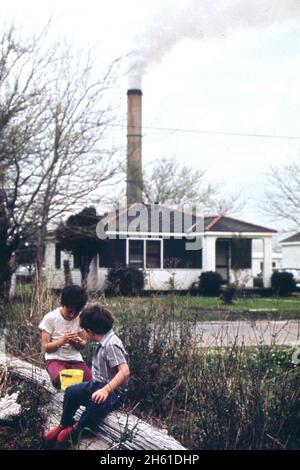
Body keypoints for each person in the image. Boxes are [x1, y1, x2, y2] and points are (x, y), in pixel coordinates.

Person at [44, 304, 130, 445]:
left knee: (96, 403)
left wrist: (106, 390)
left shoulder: (111, 345)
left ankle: (77, 429)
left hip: (114, 392)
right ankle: (64, 423)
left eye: (85, 331)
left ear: (90, 331)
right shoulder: (104, 341)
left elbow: (125, 371)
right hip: (97, 385)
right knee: (72, 391)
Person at [39, 285, 92, 388]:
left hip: (75, 360)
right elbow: (44, 347)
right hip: (55, 359)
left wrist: (77, 342)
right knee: (61, 379)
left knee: (91, 381)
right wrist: (61, 341)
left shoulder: (80, 318)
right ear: (62, 303)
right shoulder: (50, 318)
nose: (72, 315)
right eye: (69, 311)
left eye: (76, 312)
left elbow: (83, 345)